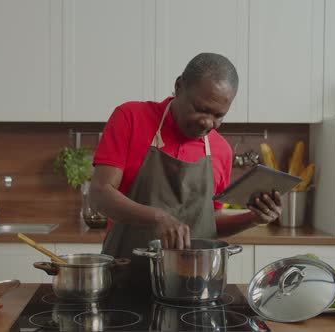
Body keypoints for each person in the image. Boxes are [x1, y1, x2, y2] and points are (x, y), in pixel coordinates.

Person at [90, 53, 282, 285]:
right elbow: (100, 193)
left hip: (192, 287)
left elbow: (210, 223)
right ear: (179, 86)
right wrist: (157, 217)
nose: (207, 123)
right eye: (201, 109)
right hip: (124, 279)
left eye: (219, 116)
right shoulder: (131, 117)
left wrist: (253, 218)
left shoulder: (221, 151)